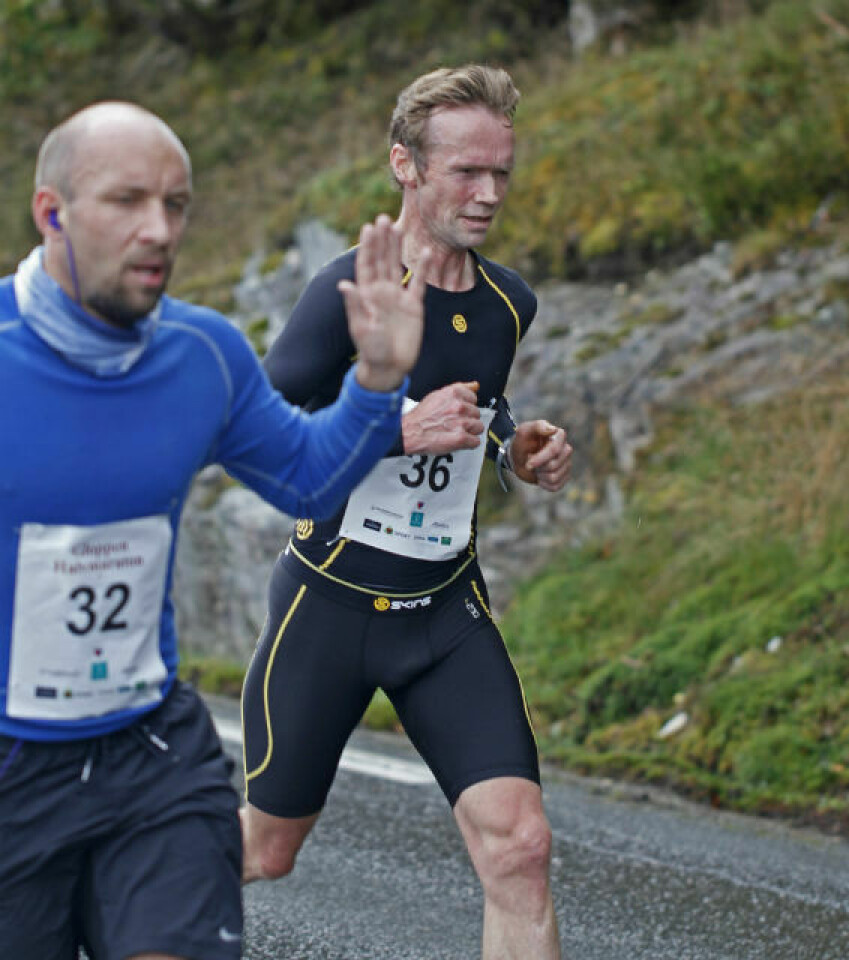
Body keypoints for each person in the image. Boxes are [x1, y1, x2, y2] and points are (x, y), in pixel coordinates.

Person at [0, 100, 429, 960]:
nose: (159, 229)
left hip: (148, 753)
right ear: (52, 212)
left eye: (177, 204)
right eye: (127, 201)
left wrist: (378, 381)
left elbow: (306, 476)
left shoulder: (204, 355)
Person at [241, 65, 573, 959]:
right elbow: (264, 435)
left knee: (521, 844)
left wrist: (516, 446)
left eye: (502, 171)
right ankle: (93, 891)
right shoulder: (342, 297)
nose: (490, 193)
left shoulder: (509, 303)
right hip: (332, 610)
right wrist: (393, 427)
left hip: (446, 614)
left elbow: (481, 406)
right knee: (265, 852)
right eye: (467, 171)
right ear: (406, 166)